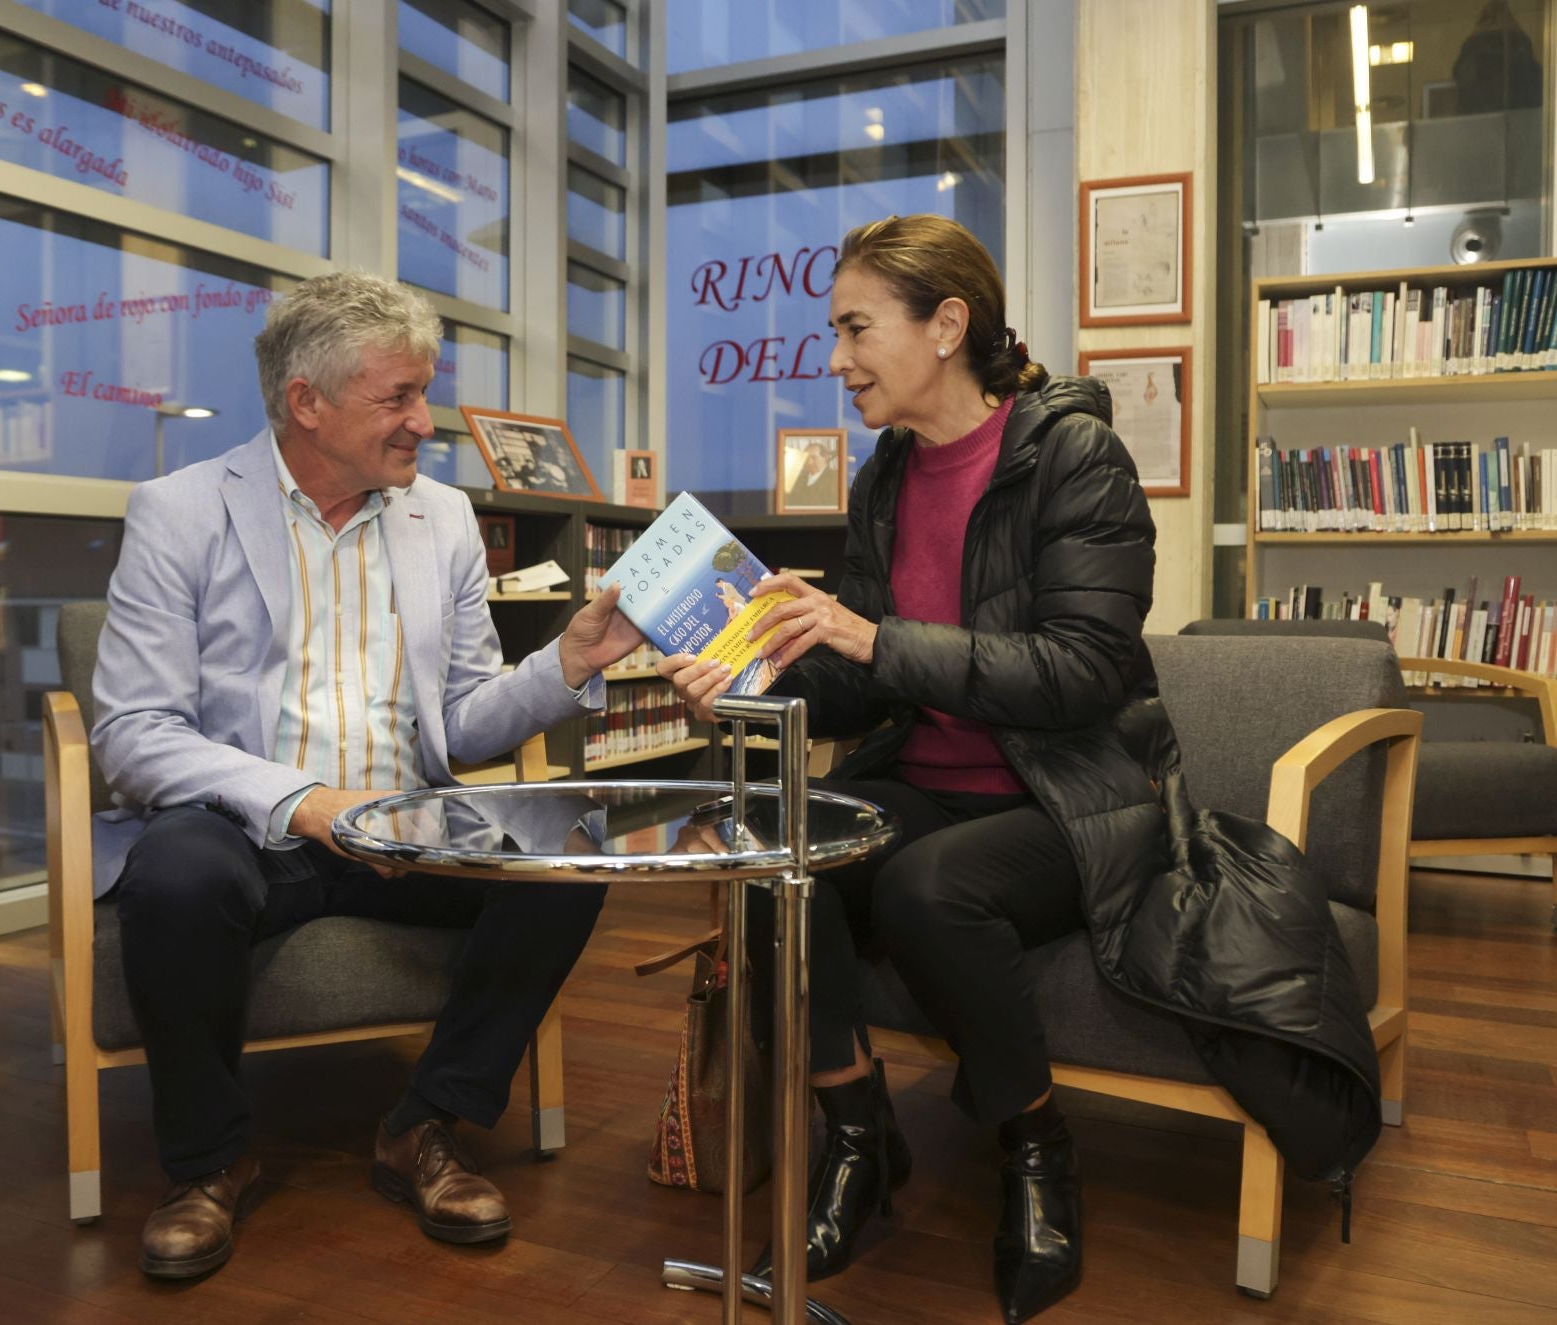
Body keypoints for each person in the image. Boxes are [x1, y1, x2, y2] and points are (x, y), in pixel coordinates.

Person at [659, 214, 1379, 1322]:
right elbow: (864, 690)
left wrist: (869, 635)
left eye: (856, 328)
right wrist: (753, 678)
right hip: (932, 779)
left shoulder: (1074, 454)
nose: (837, 358)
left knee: (925, 884)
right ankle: (859, 1136)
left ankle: (1039, 1155)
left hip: (1076, 799)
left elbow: (1086, 669)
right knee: (770, 853)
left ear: (947, 324)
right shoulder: (885, 479)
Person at [92, 270, 643, 1279]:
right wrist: (310, 805)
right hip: (250, 829)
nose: (423, 423)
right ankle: (209, 1162)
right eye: (398, 398)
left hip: (409, 823)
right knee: (175, 875)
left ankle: (426, 1123)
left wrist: (568, 663)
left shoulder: (441, 520)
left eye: (420, 395)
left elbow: (469, 716)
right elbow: (133, 733)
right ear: (308, 401)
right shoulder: (180, 512)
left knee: (569, 844)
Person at [786, 439, 841, 509]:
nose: (809, 462)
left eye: (813, 457)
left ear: (825, 457)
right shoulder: (797, 478)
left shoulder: (836, 477)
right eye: (806, 457)